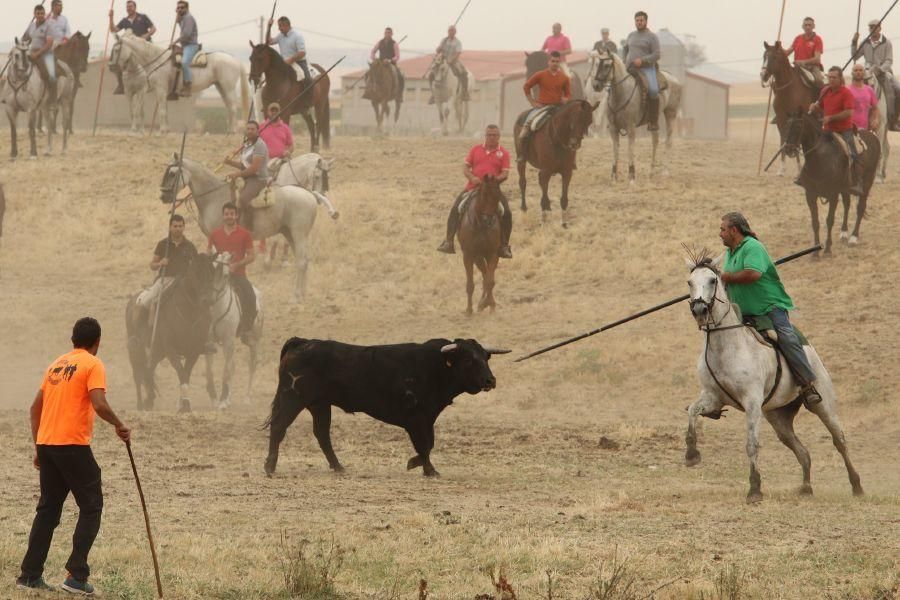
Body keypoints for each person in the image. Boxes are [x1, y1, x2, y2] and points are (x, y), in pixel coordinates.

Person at [16, 318, 131, 595]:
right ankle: (76, 576)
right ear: (97, 343)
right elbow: (99, 404)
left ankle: (29, 575)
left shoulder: (56, 364)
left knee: (48, 510)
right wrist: (119, 424)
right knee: (91, 505)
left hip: (47, 445)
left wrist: (38, 447)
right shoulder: (93, 364)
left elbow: (34, 409)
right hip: (72, 446)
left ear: (73, 339)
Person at [718, 213, 822, 409]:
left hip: (769, 308)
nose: (720, 233)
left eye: (722, 229)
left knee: (787, 338)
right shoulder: (730, 253)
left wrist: (726, 278)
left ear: (734, 230)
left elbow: (753, 274)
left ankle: (808, 385)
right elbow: (727, 282)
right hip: (744, 313)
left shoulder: (752, 247)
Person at [437, 125, 513, 259]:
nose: (492, 137)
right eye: (489, 135)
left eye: (494, 135)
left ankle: (504, 245)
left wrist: (495, 180)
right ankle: (448, 241)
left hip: (493, 190)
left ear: (499, 137)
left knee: (506, 212)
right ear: (485, 136)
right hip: (473, 187)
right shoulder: (475, 149)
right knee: (456, 208)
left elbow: (505, 173)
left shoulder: (504, 153)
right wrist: (472, 178)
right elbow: (465, 167)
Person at [133, 214, 198, 329]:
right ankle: (140, 333)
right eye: (175, 226)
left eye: (180, 226)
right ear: (170, 227)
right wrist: (160, 263)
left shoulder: (190, 246)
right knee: (146, 302)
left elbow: (196, 266)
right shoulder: (163, 244)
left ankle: (206, 338)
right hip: (165, 280)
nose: (178, 229)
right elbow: (152, 265)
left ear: (184, 227)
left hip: (183, 282)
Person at [807, 66, 863, 195]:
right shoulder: (825, 91)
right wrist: (814, 108)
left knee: (852, 153)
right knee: (813, 150)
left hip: (844, 130)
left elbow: (848, 112)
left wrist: (830, 118)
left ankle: (858, 182)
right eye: (829, 77)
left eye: (834, 78)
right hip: (827, 130)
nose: (831, 80)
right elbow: (821, 109)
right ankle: (806, 176)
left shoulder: (846, 93)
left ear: (840, 79)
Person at [208, 203, 257, 342]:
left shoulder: (245, 234)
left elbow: (251, 256)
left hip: (238, 275)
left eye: (231, 214)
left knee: (249, 294)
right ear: (223, 216)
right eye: (226, 214)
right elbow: (208, 253)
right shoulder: (214, 234)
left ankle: (247, 329)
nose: (229, 216)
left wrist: (236, 264)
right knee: (203, 295)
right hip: (217, 276)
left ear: (236, 216)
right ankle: (204, 331)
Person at [518, 51, 571, 163]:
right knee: (526, 128)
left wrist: (566, 99)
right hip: (542, 107)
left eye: (557, 61)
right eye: (553, 61)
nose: (555, 63)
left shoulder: (564, 78)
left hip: (558, 108)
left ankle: (571, 159)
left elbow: (568, 94)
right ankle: (522, 154)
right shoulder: (540, 75)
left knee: (571, 129)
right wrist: (532, 102)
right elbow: (526, 87)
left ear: (559, 62)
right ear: (548, 62)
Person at [852, 19, 900, 130]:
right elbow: (855, 56)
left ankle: (893, 120)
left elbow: (889, 60)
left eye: (875, 27)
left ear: (880, 28)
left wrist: (880, 69)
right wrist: (854, 42)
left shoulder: (887, 42)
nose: (873, 29)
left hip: (884, 72)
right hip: (867, 72)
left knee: (898, 90)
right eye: (871, 27)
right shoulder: (865, 42)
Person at [224, 120, 269, 230]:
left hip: (258, 179)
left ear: (258, 131)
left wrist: (237, 174)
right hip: (247, 176)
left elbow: (254, 168)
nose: (250, 131)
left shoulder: (260, 145)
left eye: (252, 129)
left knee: (243, 199)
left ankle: (248, 227)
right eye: (248, 129)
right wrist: (230, 163)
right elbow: (244, 166)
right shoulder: (247, 144)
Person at [108, 0, 156, 95]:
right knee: (119, 60)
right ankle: (121, 85)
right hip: (131, 48)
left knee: (152, 61)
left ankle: (154, 81)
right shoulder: (124, 21)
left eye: (130, 6)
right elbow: (113, 30)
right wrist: (111, 17)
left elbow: (153, 28)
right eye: (127, 7)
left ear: (135, 7)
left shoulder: (143, 17)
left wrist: (146, 36)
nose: (128, 8)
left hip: (144, 44)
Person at [625, 10, 662, 131]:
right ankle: (614, 118)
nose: (639, 22)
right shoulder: (630, 35)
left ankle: (653, 121)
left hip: (647, 68)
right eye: (637, 20)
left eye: (641, 20)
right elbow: (626, 50)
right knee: (615, 85)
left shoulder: (652, 37)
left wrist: (642, 60)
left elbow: (657, 54)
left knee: (653, 90)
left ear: (646, 21)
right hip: (630, 68)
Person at [23, 4, 57, 104]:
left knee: (51, 75)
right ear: (34, 14)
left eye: (42, 13)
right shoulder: (31, 26)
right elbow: (25, 39)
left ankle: (52, 100)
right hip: (31, 53)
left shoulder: (48, 26)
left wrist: (37, 54)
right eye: (38, 13)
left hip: (46, 55)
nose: (40, 15)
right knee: (20, 68)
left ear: (44, 14)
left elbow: (49, 43)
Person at [266, 16, 312, 84]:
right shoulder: (280, 35)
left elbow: (302, 52)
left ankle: (309, 94)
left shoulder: (297, 36)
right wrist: (269, 27)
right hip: (284, 63)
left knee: (308, 80)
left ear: (286, 25)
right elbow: (269, 42)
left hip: (299, 63)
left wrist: (290, 60)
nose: (279, 29)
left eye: (280, 26)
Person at [429, 25, 469, 104]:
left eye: (452, 31)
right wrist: (438, 49)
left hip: (453, 61)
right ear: (448, 32)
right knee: (431, 74)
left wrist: (451, 59)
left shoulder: (457, 42)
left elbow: (458, 53)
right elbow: (438, 50)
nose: (451, 33)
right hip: (442, 59)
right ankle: (433, 94)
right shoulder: (444, 40)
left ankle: (465, 93)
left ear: (455, 32)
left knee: (464, 73)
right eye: (449, 31)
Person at [364, 26, 403, 101]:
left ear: (392, 34)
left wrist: (390, 60)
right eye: (386, 33)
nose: (387, 34)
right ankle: (368, 91)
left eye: (389, 33)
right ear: (384, 34)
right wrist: (374, 58)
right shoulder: (380, 42)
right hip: (380, 63)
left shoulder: (394, 44)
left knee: (399, 75)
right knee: (368, 73)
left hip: (390, 64)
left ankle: (399, 94)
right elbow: (373, 51)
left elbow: (397, 56)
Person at [169, 0, 198, 99]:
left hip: (191, 45)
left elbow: (186, 34)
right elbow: (182, 28)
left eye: (182, 7)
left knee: (184, 62)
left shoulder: (188, 18)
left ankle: (187, 87)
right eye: (178, 8)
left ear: (186, 8)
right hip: (184, 46)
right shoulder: (183, 18)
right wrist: (178, 20)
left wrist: (174, 42)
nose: (180, 9)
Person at [787, 17, 824, 86]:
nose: (807, 27)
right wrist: (778, 48)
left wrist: (803, 62)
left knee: (819, 81)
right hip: (797, 67)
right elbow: (787, 52)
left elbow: (817, 59)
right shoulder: (798, 38)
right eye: (806, 25)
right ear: (802, 26)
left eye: (809, 25)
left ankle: (821, 96)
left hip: (812, 68)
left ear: (813, 26)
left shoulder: (817, 39)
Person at [848, 63, 879, 132]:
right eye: (855, 70)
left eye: (860, 70)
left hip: (865, 130)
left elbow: (875, 108)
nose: (858, 72)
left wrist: (875, 119)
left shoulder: (869, 90)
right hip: (850, 129)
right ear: (852, 73)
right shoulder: (847, 90)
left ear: (864, 73)